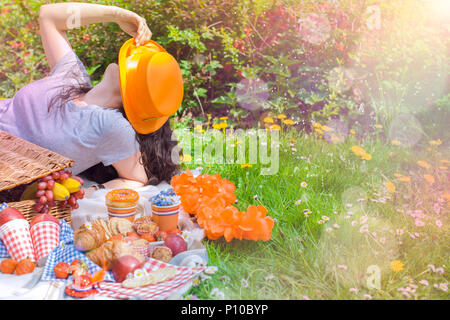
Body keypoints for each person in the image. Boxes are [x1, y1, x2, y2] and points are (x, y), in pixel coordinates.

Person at [0, 2, 182, 198]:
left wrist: (93, 191)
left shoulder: (112, 125)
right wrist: (118, 15)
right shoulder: (73, 76)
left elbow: (138, 179)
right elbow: (48, 15)